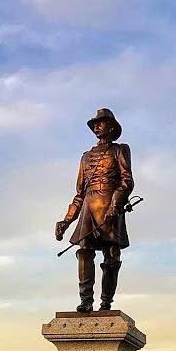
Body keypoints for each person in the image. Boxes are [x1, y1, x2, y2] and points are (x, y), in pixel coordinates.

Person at [55, 108, 134, 312]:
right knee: (84, 252)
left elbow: (126, 181)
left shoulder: (120, 149)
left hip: (110, 205)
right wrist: (66, 221)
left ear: (112, 127)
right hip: (88, 209)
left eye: (102, 122)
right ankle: (86, 301)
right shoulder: (86, 157)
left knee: (111, 255)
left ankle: (106, 302)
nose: (98, 126)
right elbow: (79, 194)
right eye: (95, 124)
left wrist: (115, 205)